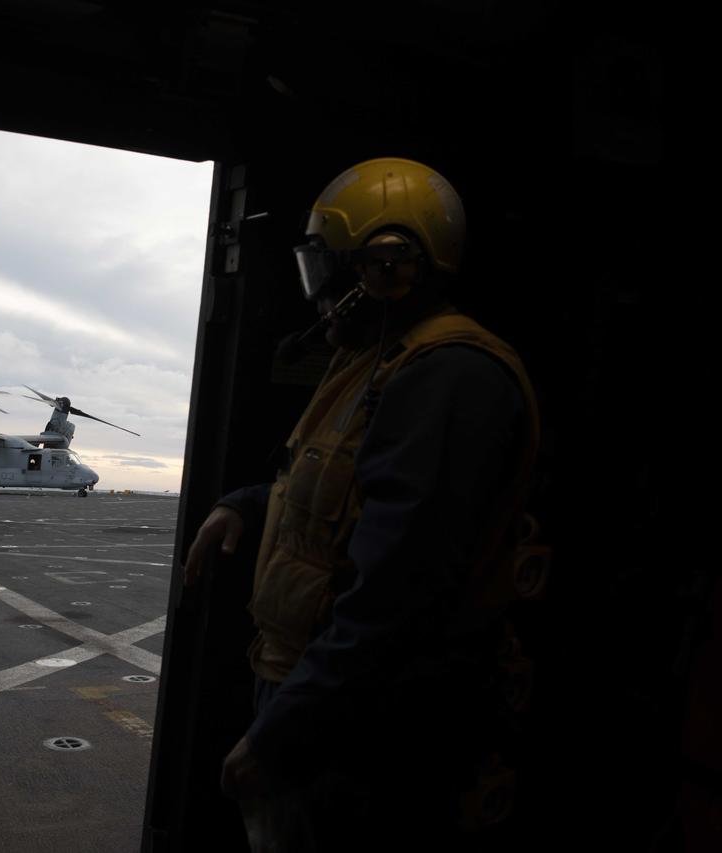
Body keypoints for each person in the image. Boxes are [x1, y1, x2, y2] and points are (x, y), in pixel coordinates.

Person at [184, 158, 540, 850]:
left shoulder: (452, 377)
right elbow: (339, 491)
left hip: (359, 726)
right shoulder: (375, 363)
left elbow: (396, 591)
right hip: (313, 695)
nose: (319, 292)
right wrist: (244, 504)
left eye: (329, 267)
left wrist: (281, 732)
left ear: (386, 266)